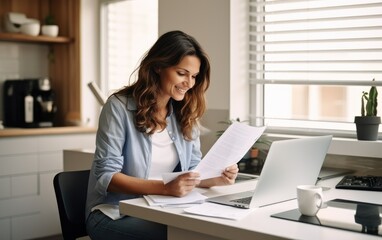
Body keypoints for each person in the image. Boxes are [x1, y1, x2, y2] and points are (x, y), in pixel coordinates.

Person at [85, 30, 239, 240]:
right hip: (114, 214)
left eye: (194, 76)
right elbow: (107, 177)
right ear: (158, 66)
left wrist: (215, 179)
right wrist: (165, 189)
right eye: (182, 73)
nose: (189, 83)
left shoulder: (185, 113)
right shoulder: (118, 107)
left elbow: (190, 173)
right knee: (184, 235)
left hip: (163, 210)